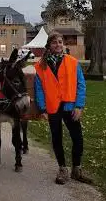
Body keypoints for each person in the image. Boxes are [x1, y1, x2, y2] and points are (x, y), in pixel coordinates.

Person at [34, 31, 93, 185]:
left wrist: (79, 106)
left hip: (70, 106)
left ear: (63, 44)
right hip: (53, 107)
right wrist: (42, 109)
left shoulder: (73, 62)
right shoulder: (41, 66)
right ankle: (62, 169)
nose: (58, 45)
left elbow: (81, 85)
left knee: (77, 138)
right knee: (57, 138)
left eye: (60, 42)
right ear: (49, 45)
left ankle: (76, 169)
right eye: (54, 42)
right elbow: (39, 89)